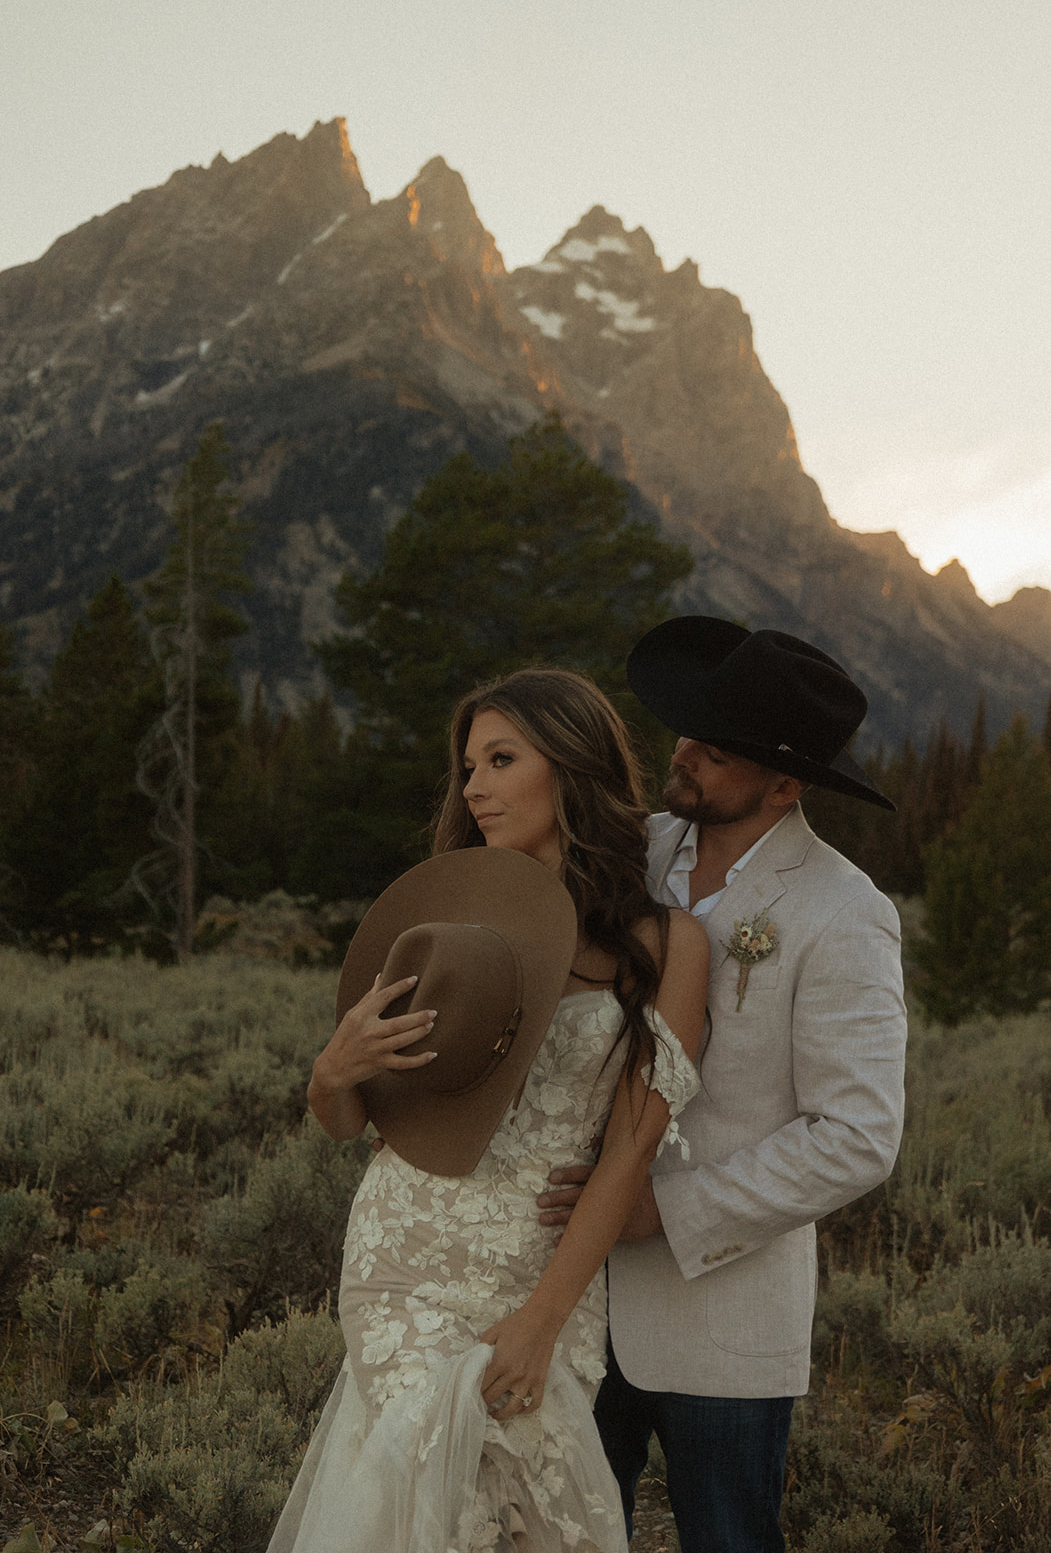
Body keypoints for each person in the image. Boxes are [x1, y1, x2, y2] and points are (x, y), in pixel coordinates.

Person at [266, 667, 709, 1553]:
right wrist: (332, 1071)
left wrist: (544, 1316)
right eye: (467, 766)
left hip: (543, 1276)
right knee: (423, 1513)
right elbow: (353, 1122)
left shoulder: (667, 945)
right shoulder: (455, 928)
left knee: (524, 1525)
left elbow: (629, 1151)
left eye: (500, 759)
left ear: (571, 766)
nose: (472, 787)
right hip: (405, 1258)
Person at [538, 618, 908, 1553]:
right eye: (688, 729)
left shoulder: (843, 912)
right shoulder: (629, 852)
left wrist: (657, 1210)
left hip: (725, 1327)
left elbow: (857, 1134)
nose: (686, 753)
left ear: (786, 784)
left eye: (718, 747)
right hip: (569, 1297)